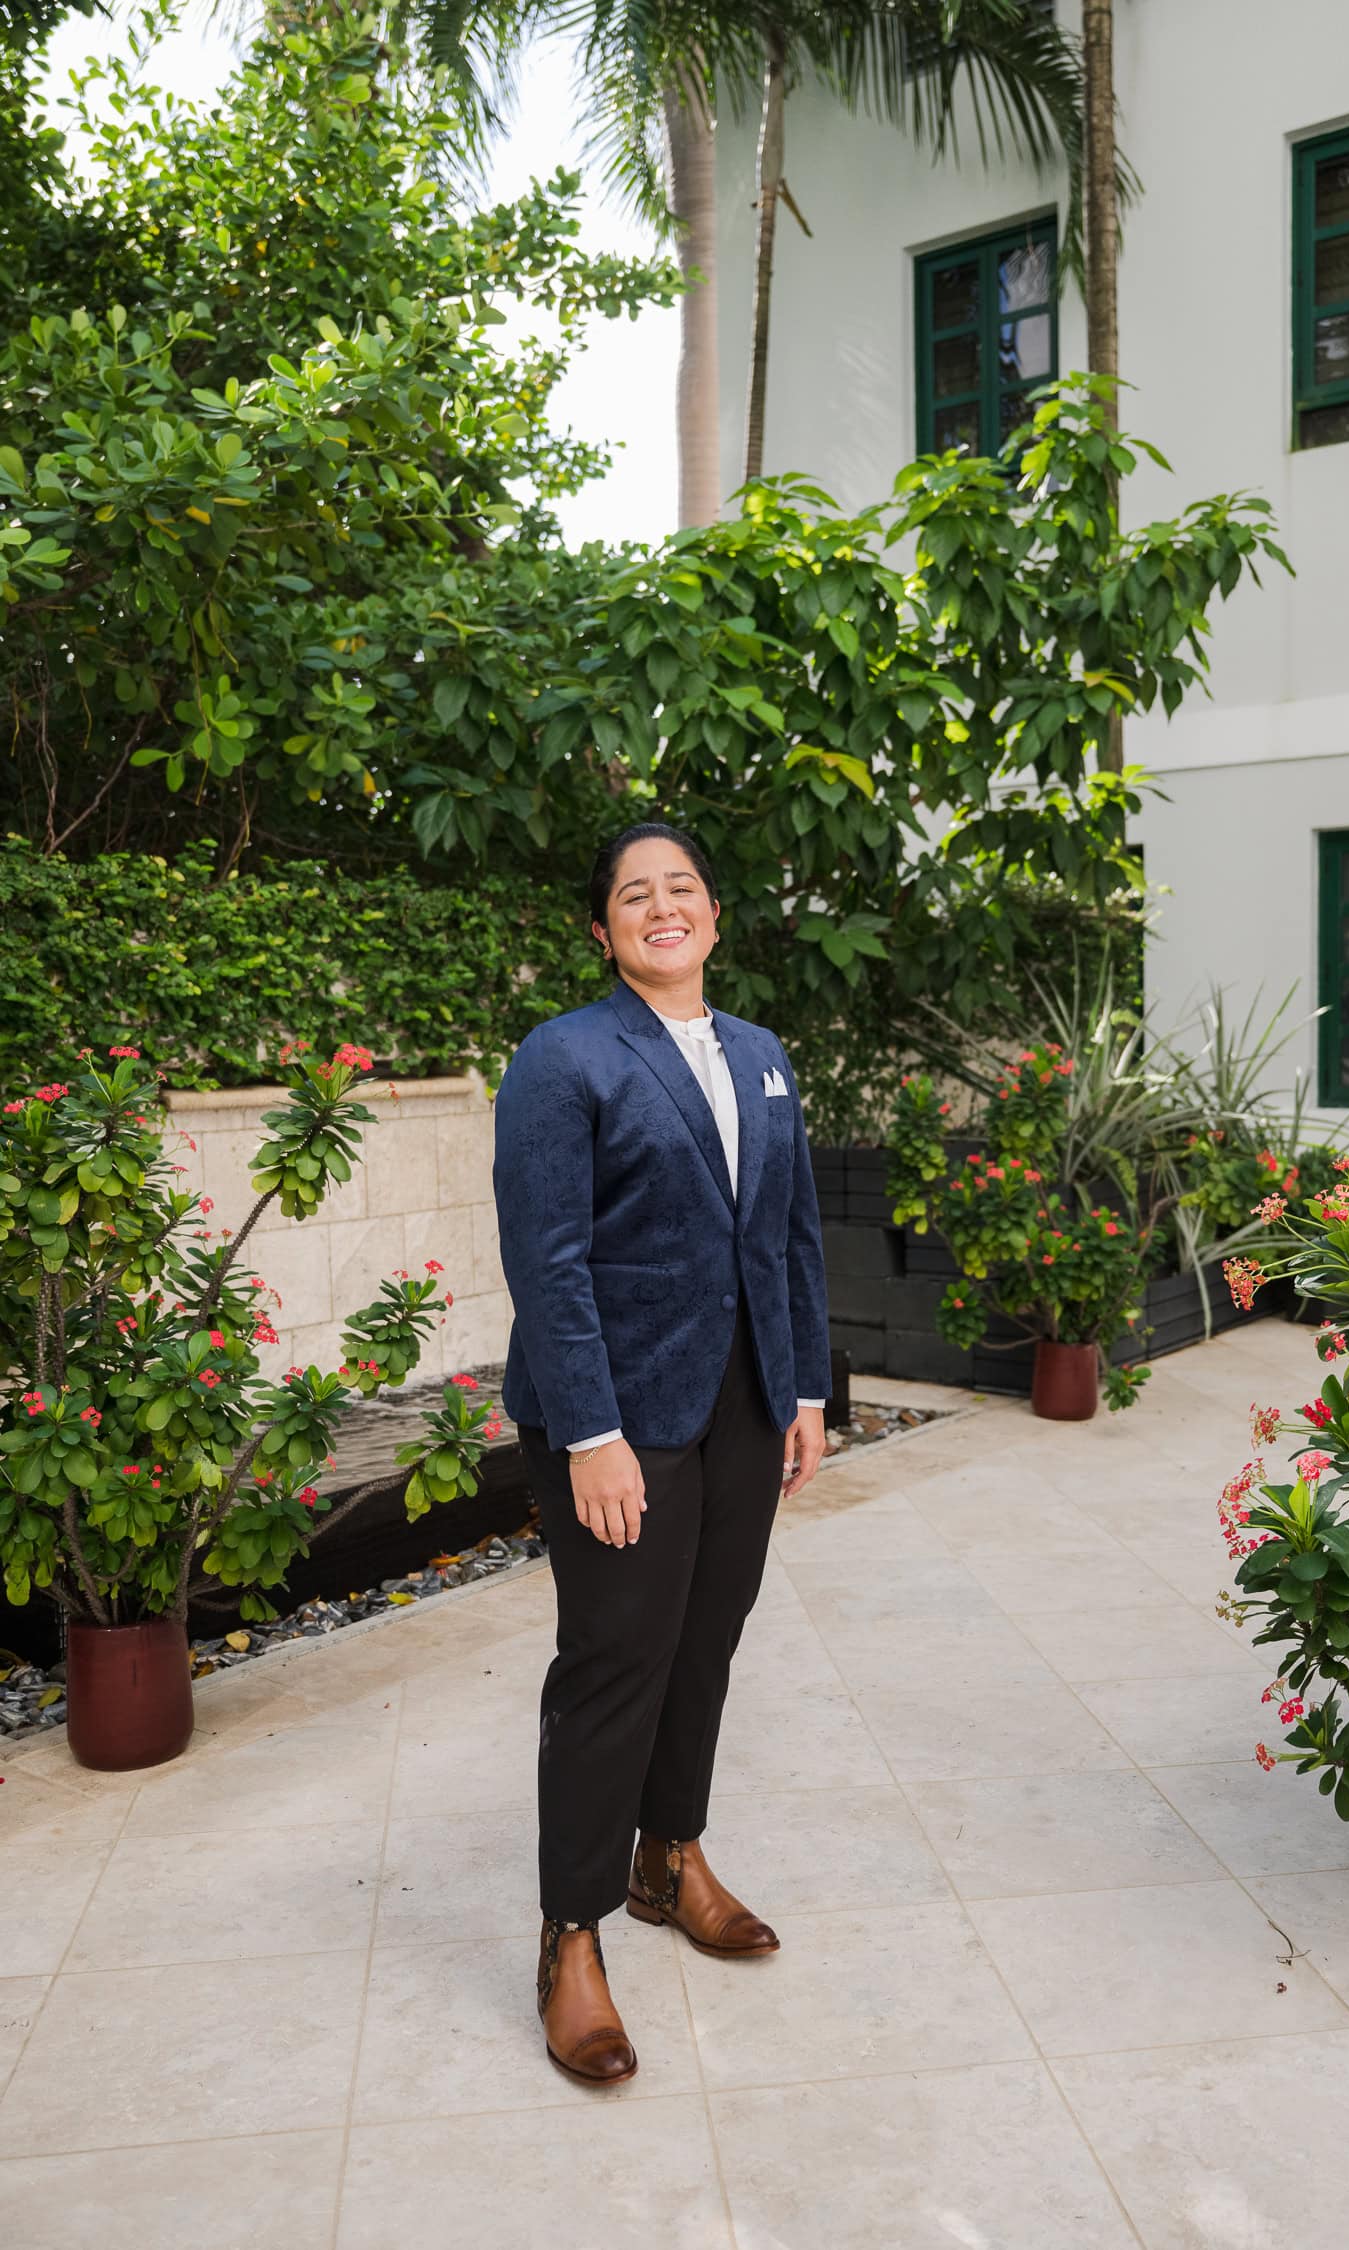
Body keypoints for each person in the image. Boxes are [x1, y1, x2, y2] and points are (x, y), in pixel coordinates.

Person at [492, 821, 831, 2086]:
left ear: (717, 914)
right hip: (616, 1424)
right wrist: (590, 1434)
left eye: (682, 885)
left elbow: (789, 1237)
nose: (662, 906)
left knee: (706, 1644)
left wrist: (802, 1387)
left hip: (744, 1410)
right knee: (613, 1666)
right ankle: (568, 1937)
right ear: (603, 930)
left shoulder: (762, 1057)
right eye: (635, 895)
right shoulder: (564, 1057)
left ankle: (667, 1858)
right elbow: (549, 1261)